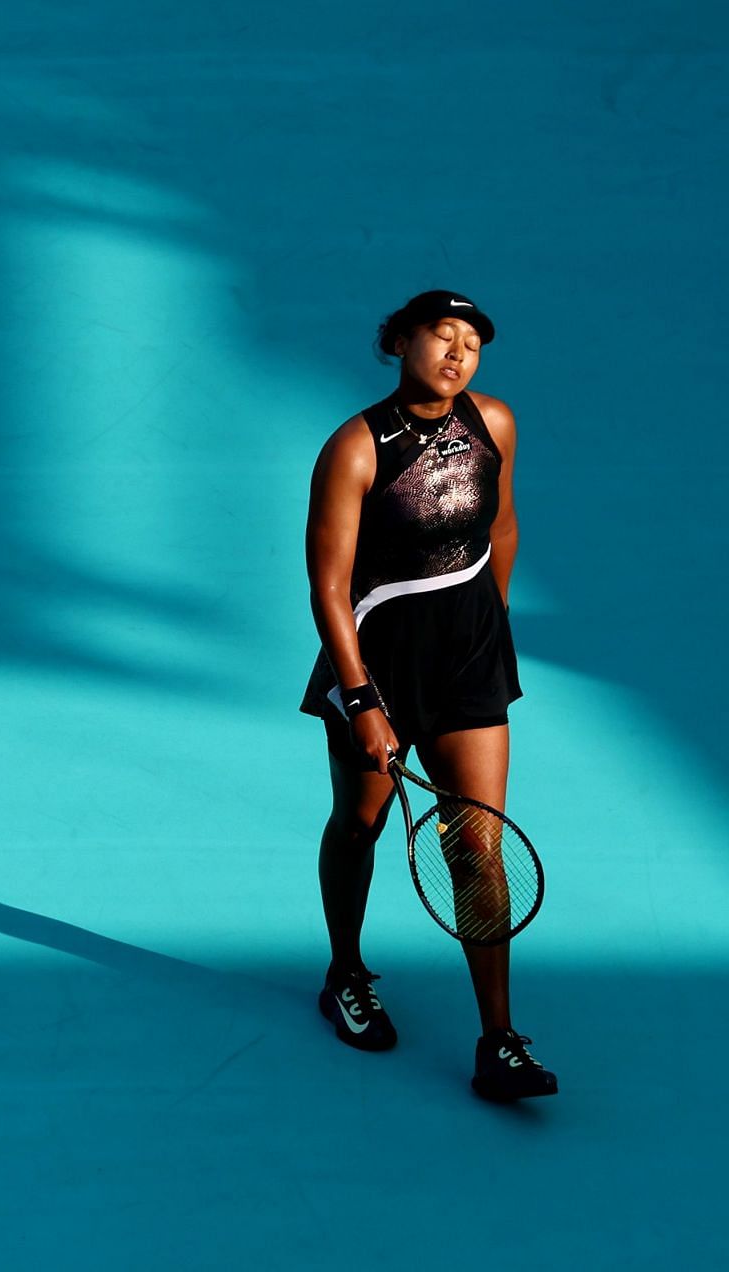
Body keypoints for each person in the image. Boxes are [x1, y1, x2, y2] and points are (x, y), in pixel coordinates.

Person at [299, 289, 558, 1102]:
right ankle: (345, 972)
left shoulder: (496, 424)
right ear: (400, 341)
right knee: (361, 822)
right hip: (380, 664)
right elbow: (328, 589)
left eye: (471, 343)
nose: (457, 353)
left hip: (472, 659)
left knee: (476, 845)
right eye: (440, 337)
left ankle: (499, 1039)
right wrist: (362, 697)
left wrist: (492, 624)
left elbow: (503, 528)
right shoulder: (356, 446)